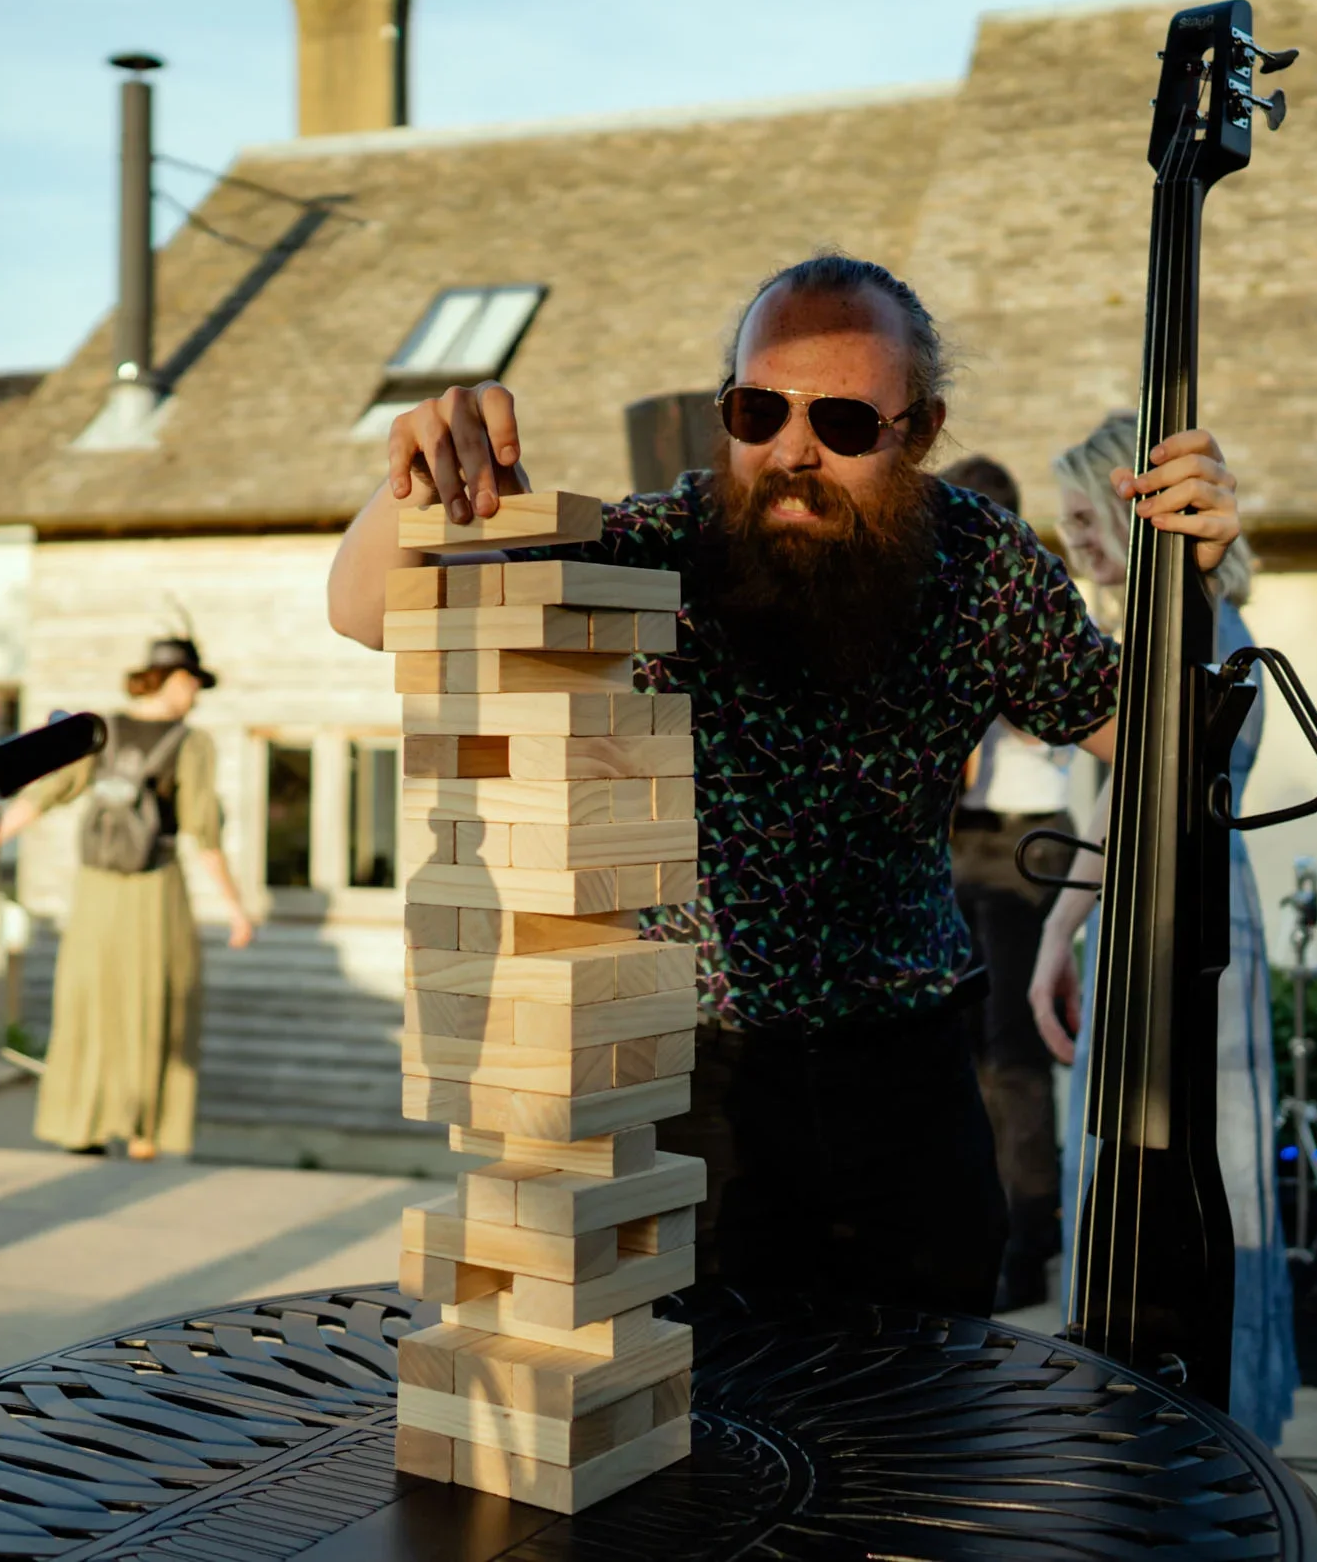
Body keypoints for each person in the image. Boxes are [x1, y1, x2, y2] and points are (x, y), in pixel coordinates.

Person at [325, 252, 1244, 1319]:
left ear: (922, 430)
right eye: (757, 410)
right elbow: (365, 608)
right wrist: (423, 469)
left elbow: (1157, 744)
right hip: (693, 1082)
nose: (792, 449)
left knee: (919, 1427)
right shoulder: (673, 540)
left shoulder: (975, 565)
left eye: (845, 422)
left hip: (907, 1084)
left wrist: (1197, 581)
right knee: (698, 1441)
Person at [1026, 411, 1298, 1447]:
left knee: (1191, 1175)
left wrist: (1058, 930)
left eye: (1085, 519)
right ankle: (1165, 1411)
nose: (1076, 545)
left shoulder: (1194, 627)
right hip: (1158, 906)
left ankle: (1191, 1420)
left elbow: (1129, 801)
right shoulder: (1175, 628)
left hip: (1181, 921)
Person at [0, 638, 257, 1160]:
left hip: (96, 890)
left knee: (88, 1004)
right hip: (154, 889)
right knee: (157, 1004)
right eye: (192, 685)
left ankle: (83, 1125)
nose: (195, 698)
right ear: (176, 680)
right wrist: (235, 907)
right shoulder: (191, 744)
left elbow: (44, 794)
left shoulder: (100, 730)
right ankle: (144, 1132)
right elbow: (204, 834)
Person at [936, 452, 1077, 1311]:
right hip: (961, 836)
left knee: (1016, 1056)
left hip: (1032, 842)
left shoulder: (1032, 598)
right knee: (966, 1047)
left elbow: (1040, 720)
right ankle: (982, 1231)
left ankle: (1027, 1247)